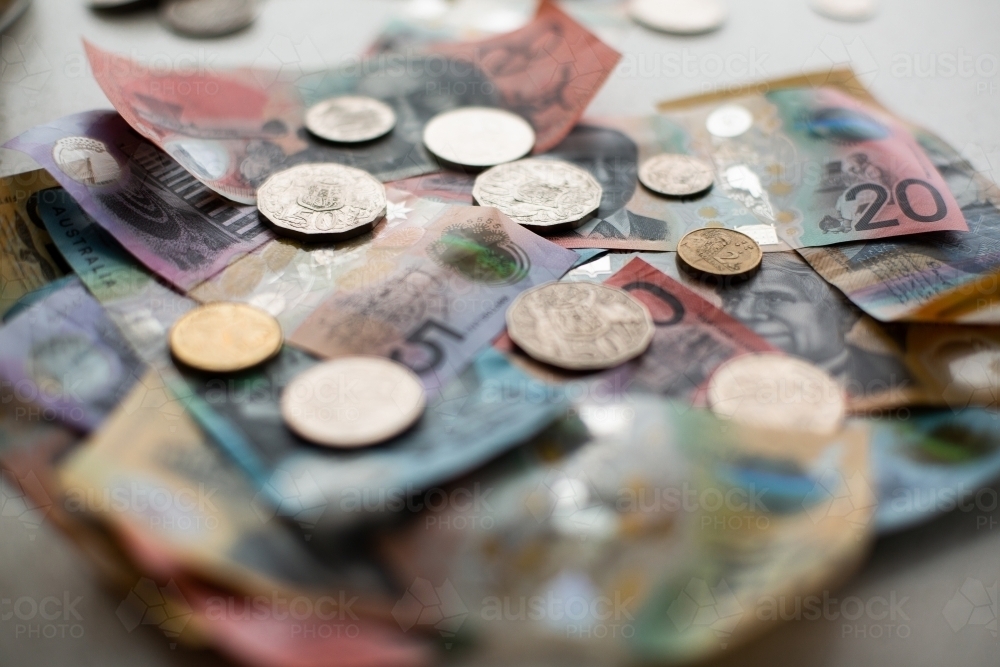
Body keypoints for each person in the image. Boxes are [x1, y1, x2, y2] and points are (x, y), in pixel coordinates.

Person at [719, 252, 913, 398]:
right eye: (733, 300)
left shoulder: (900, 376)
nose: (741, 312)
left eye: (774, 298)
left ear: (846, 316)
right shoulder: (714, 366)